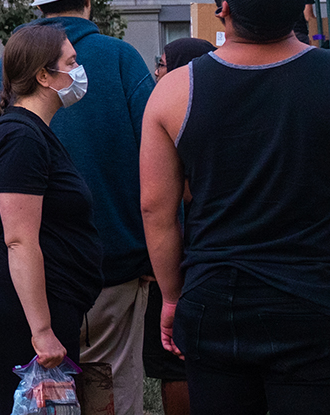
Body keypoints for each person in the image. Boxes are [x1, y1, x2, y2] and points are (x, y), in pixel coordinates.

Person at [142, 0, 330, 415]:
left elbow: (156, 210)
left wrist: (171, 297)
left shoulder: (174, 90)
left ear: (223, 10)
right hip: (314, 298)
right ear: (302, 8)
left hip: (215, 296)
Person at [0, 0, 153, 415]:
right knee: (111, 387)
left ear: (39, 8)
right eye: (71, 63)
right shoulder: (121, 58)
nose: (77, 68)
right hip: (110, 266)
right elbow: (158, 161)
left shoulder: (8, 71)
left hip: (28, 281)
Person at [0, 25, 103, 414]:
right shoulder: (21, 139)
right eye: (71, 62)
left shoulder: (31, 132)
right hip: (21, 310)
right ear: (43, 75)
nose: (79, 70)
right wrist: (41, 331)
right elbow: (20, 240)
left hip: (37, 302)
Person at [141, 37, 212, 415]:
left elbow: (163, 201)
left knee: (177, 361)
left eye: (163, 64)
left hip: (184, 258)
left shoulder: (171, 112)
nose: (157, 71)